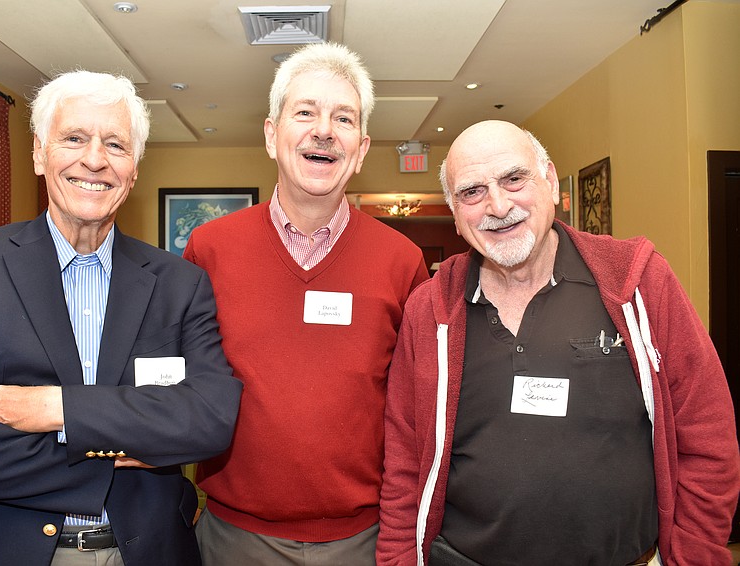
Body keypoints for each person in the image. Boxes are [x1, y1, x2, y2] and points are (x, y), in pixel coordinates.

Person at [0, 70, 242, 566]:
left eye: (115, 144)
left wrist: (60, 409)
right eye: (74, 138)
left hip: (147, 551)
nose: (95, 159)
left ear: (133, 169)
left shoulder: (180, 283)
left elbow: (210, 420)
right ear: (39, 153)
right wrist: (130, 442)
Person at [377, 119, 740, 566]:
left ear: (549, 182)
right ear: (454, 213)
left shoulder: (636, 281)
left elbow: (707, 434)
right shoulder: (429, 309)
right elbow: (403, 464)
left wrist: (693, 557)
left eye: (514, 179)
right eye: (472, 192)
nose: (497, 204)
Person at [184, 42, 429, 565]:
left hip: (363, 541)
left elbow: (418, 409)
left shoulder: (402, 262)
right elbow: (179, 382)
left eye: (343, 118)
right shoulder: (208, 250)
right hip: (234, 539)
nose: (324, 131)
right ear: (273, 136)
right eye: (305, 112)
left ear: (360, 150)